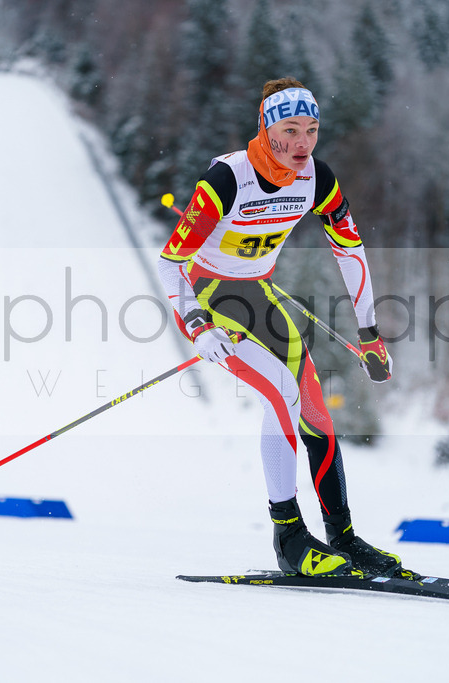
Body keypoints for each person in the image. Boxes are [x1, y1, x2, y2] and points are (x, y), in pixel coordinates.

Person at [157, 77, 407, 578]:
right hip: (211, 297)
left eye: (311, 130)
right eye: (290, 129)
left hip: (259, 296)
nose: (302, 143)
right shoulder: (228, 180)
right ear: (265, 129)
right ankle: (289, 537)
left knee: (315, 409)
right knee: (281, 394)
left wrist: (369, 333)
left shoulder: (318, 179)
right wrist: (196, 325)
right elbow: (170, 263)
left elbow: (350, 251)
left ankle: (343, 538)